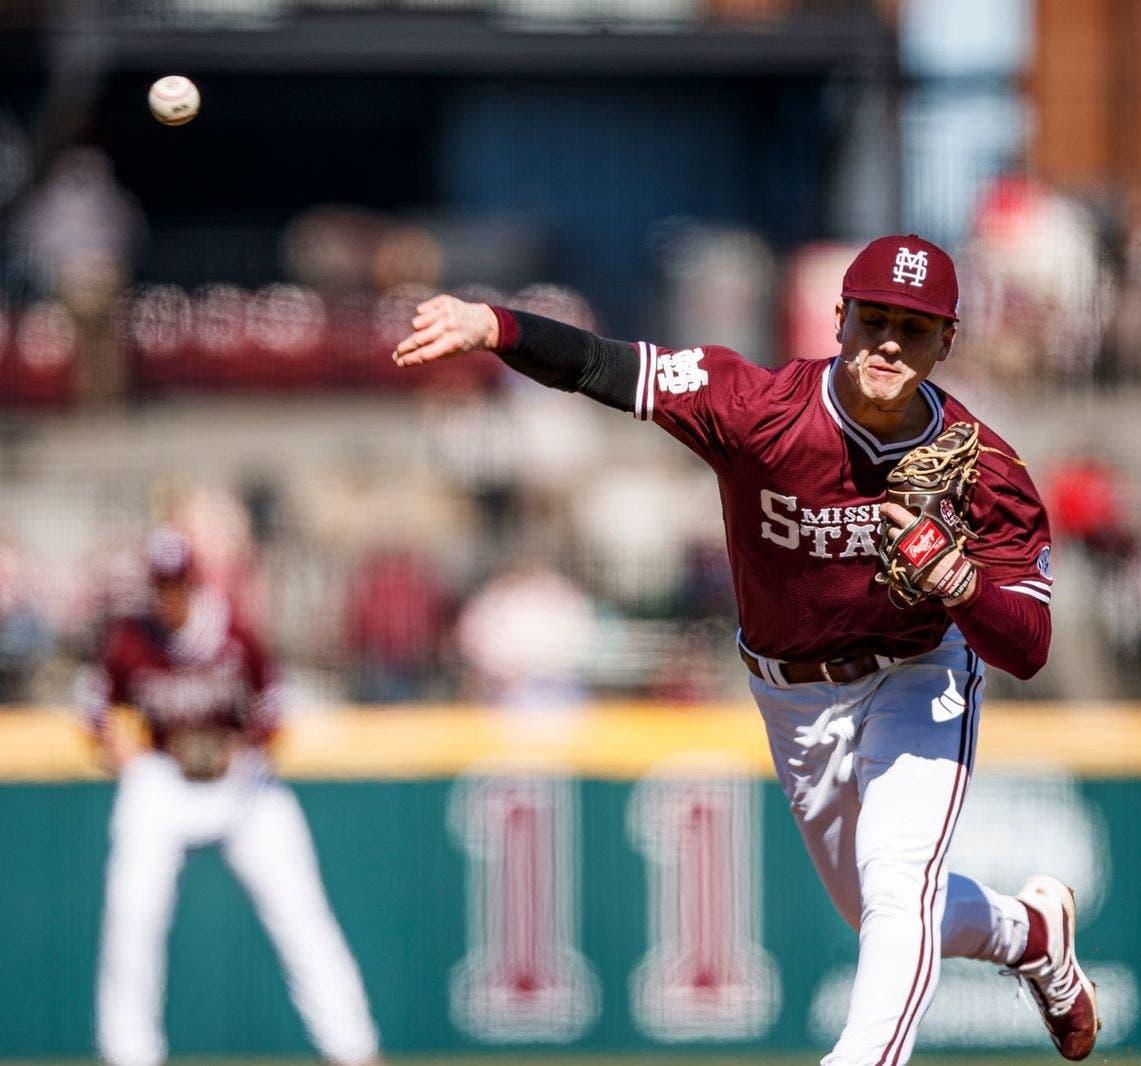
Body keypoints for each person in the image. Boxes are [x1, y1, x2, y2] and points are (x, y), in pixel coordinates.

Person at [393, 234, 1098, 1064]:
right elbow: (608, 368)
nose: (889, 344)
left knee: (897, 882)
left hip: (918, 673)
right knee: (872, 903)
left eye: (914, 328)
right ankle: (1031, 932)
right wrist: (497, 327)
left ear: (948, 341)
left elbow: (1029, 646)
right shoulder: (755, 405)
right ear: (838, 319)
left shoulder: (985, 470)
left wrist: (958, 583)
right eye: (874, 319)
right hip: (794, 694)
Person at [78, 528, 381, 1066]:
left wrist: (241, 748)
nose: (169, 595)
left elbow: (277, 707)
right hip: (164, 779)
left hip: (243, 786)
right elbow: (94, 709)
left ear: (194, 583)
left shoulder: (235, 632)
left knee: (302, 917)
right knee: (132, 918)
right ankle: (128, 1054)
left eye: (177, 584)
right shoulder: (130, 638)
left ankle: (352, 1050)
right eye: (160, 585)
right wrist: (118, 750)